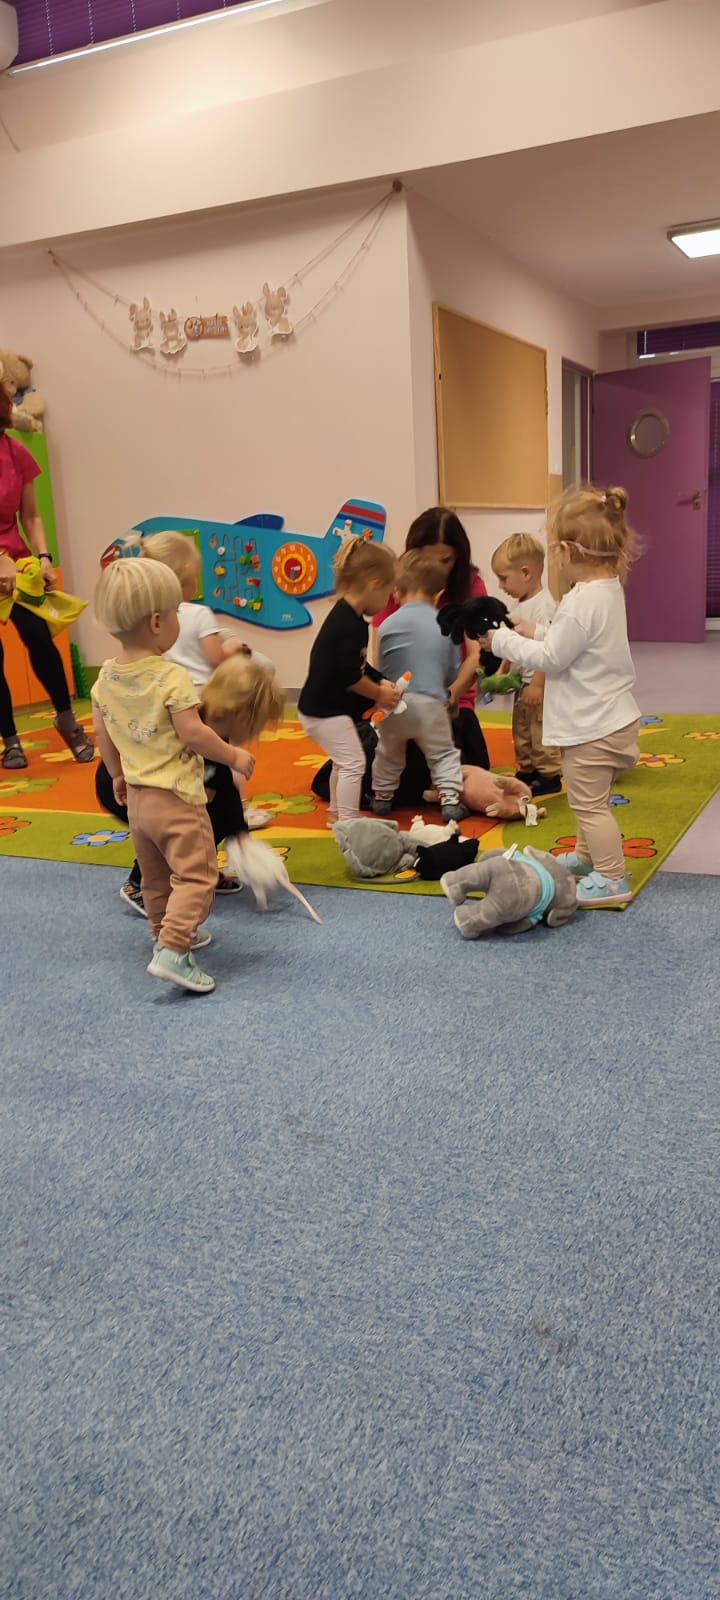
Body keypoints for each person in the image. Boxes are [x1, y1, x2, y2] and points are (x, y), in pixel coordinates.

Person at [91, 557, 259, 994]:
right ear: (156, 622)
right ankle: (173, 949)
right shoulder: (172, 676)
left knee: (155, 878)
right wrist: (233, 756)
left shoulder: (105, 677)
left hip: (138, 802)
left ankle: (162, 934)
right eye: (176, 613)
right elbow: (194, 733)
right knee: (197, 875)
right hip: (179, 799)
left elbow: (102, 731)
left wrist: (116, 775)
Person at [484, 485, 641, 908]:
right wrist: (534, 629)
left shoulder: (579, 602)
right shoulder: (605, 590)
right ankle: (589, 858)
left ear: (569, 550)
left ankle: (612, 877)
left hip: (593, 726)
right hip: (608, 718)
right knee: (590, 799)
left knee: (590, 807)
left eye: (555, 549)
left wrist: (501, 641)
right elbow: (573, 640)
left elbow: (553, 657)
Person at [96, 653, 284, 917]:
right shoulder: (195, 729)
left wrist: (240, 836)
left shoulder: (215, 732)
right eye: (260, 724)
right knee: (182, 822)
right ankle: (139, 883)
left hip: (151, 787)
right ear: (245, 717)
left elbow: (224, 787)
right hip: (129, 787)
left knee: (211, 813)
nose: (258, 733)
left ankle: (199, 870)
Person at [0, 380, 93, 768]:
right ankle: (10, 740)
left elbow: (31, 516)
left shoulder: (15, 451)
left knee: (38, 636)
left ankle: (67, 719)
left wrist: (43, 557)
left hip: (17, 561)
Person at [370, 506, 488, 800]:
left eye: (445, 560)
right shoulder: (399, 581)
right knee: (372, 763)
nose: (437, 568)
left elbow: (475, 655)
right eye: (427, 559)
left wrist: (450, 695)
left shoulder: (469, 585)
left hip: (450, 707)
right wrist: (388, 695)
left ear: (459, 556)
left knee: (456, 766)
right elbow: (379, 659)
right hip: (402, 703)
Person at [298, 534, 400, 824]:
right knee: (354, 762)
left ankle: (336, 815)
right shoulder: (348, 624)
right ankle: (348, 821)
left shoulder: (348, 617)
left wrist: (380, 679)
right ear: (374, 584)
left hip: (321, 709)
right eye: (388, 592)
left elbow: (357, 663)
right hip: (324, 712)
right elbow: (351, 677)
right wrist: (379, 694)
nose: (389, 600)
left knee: (344, 761)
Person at [371, 552, 471, 822]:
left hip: (394, 703)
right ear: (439, 595)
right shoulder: (445, 625)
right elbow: (452, 672)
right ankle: (450, 800)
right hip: (430, 704)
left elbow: (381, 668)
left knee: (388, 752)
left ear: (396, 591)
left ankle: (382, 796)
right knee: (443, 754)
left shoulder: (388, 623)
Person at [490, 532, 563, 797]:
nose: (501, 586)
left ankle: (549, 773)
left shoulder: (544, 606)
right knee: (521, 727)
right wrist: (502, 671)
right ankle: (528, 767)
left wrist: (538, 684)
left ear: (525, 573)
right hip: (522, 682)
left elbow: (549, 648)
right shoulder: (518, 604)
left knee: (539, 728)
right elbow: (511, 641)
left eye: (503, 578)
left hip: (538, 683)